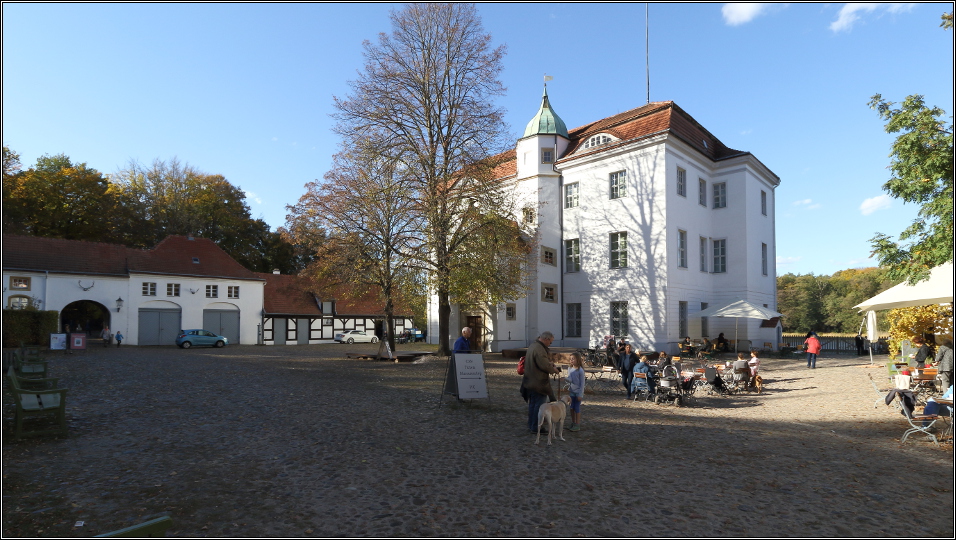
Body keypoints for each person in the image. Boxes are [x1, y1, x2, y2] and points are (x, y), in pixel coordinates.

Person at [520, 331, 560, 434]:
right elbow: (543, 365)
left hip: (530, 381)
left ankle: (531, 425)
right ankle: (536, 427)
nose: (550, 344)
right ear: (546, 339)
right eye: (550, 342)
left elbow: (539, 362)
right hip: (538, 383)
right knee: (538, 406)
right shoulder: (539, 349)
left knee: (533, 405)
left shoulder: (533, 345)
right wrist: (554, 370)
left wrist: (548, 363)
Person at [565, 352, 585, 432]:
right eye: (570, 359)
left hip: (578, 392)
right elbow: (570, 379)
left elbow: (582, 383)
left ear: (577, 359)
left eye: (573, 359)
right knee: (571, 407)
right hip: (572, 391)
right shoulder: (570, 369)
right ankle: (573, 422)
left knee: (576, 408)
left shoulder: (580, 370)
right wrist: (565, 378)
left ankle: (577, 424)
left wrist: (580, 394)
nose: (571, 360)